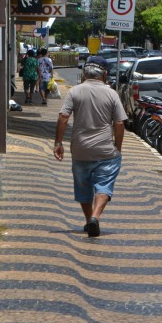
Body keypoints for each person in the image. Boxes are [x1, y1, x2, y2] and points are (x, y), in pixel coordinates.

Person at [53, 56, 128, 237]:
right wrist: (117, 147)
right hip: (105, 150)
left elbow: (63, 116)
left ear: (85, 73)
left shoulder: (75, 91)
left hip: (80, 149)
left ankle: (89, 220)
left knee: (83, 185)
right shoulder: (111, 94)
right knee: (104, 185)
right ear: (104, 74)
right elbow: (119, 122)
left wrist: (58, 143)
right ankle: (95, 217)